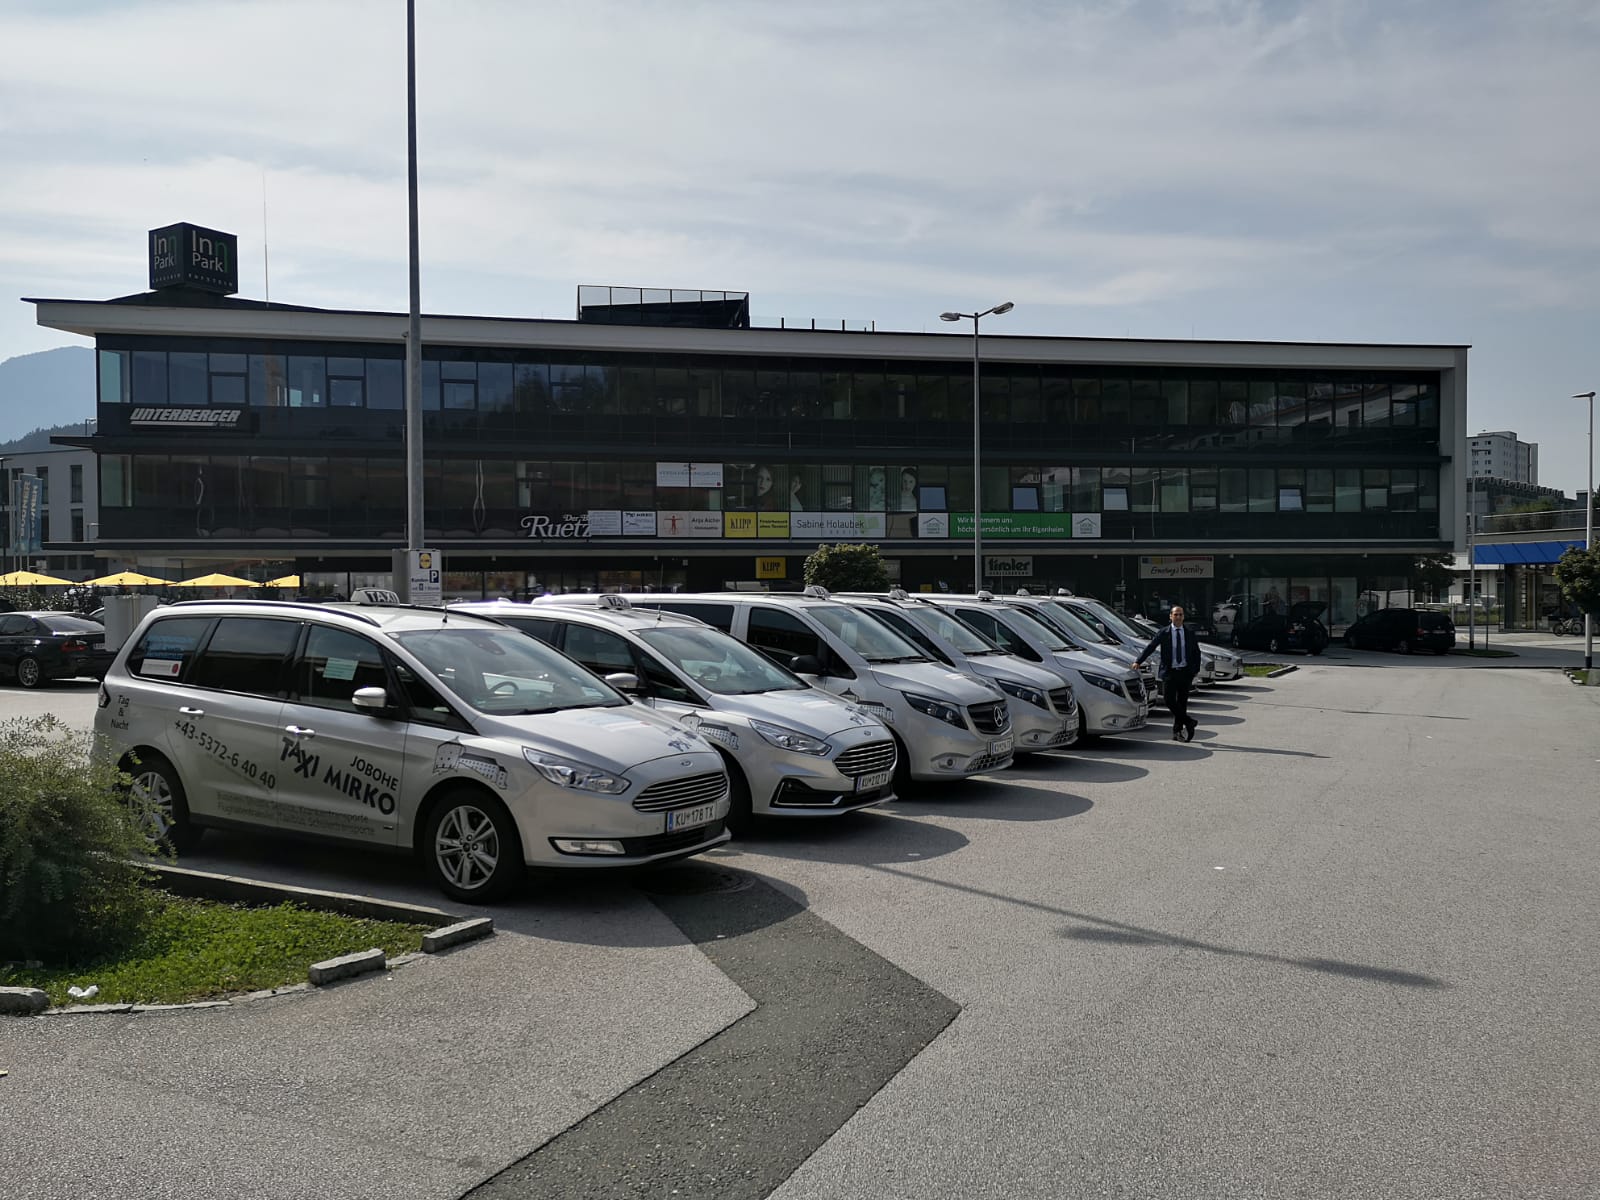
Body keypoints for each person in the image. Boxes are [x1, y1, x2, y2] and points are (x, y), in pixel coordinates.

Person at [1136, 604, 1201, 743]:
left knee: (1182, 703)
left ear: (1183, 617)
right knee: (1169, 700)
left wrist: (1194, 670)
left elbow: (1196, 652)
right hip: (1169, 672)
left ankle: (1177, 732)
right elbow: (1151, 647)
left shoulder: (1189, 632)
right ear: (1170, 616)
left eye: (1180, 614)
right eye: (1175, 614)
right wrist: (1138, 661)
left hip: (1185, 672)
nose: (1178, 617)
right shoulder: (1164, 632)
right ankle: (1189, 722)